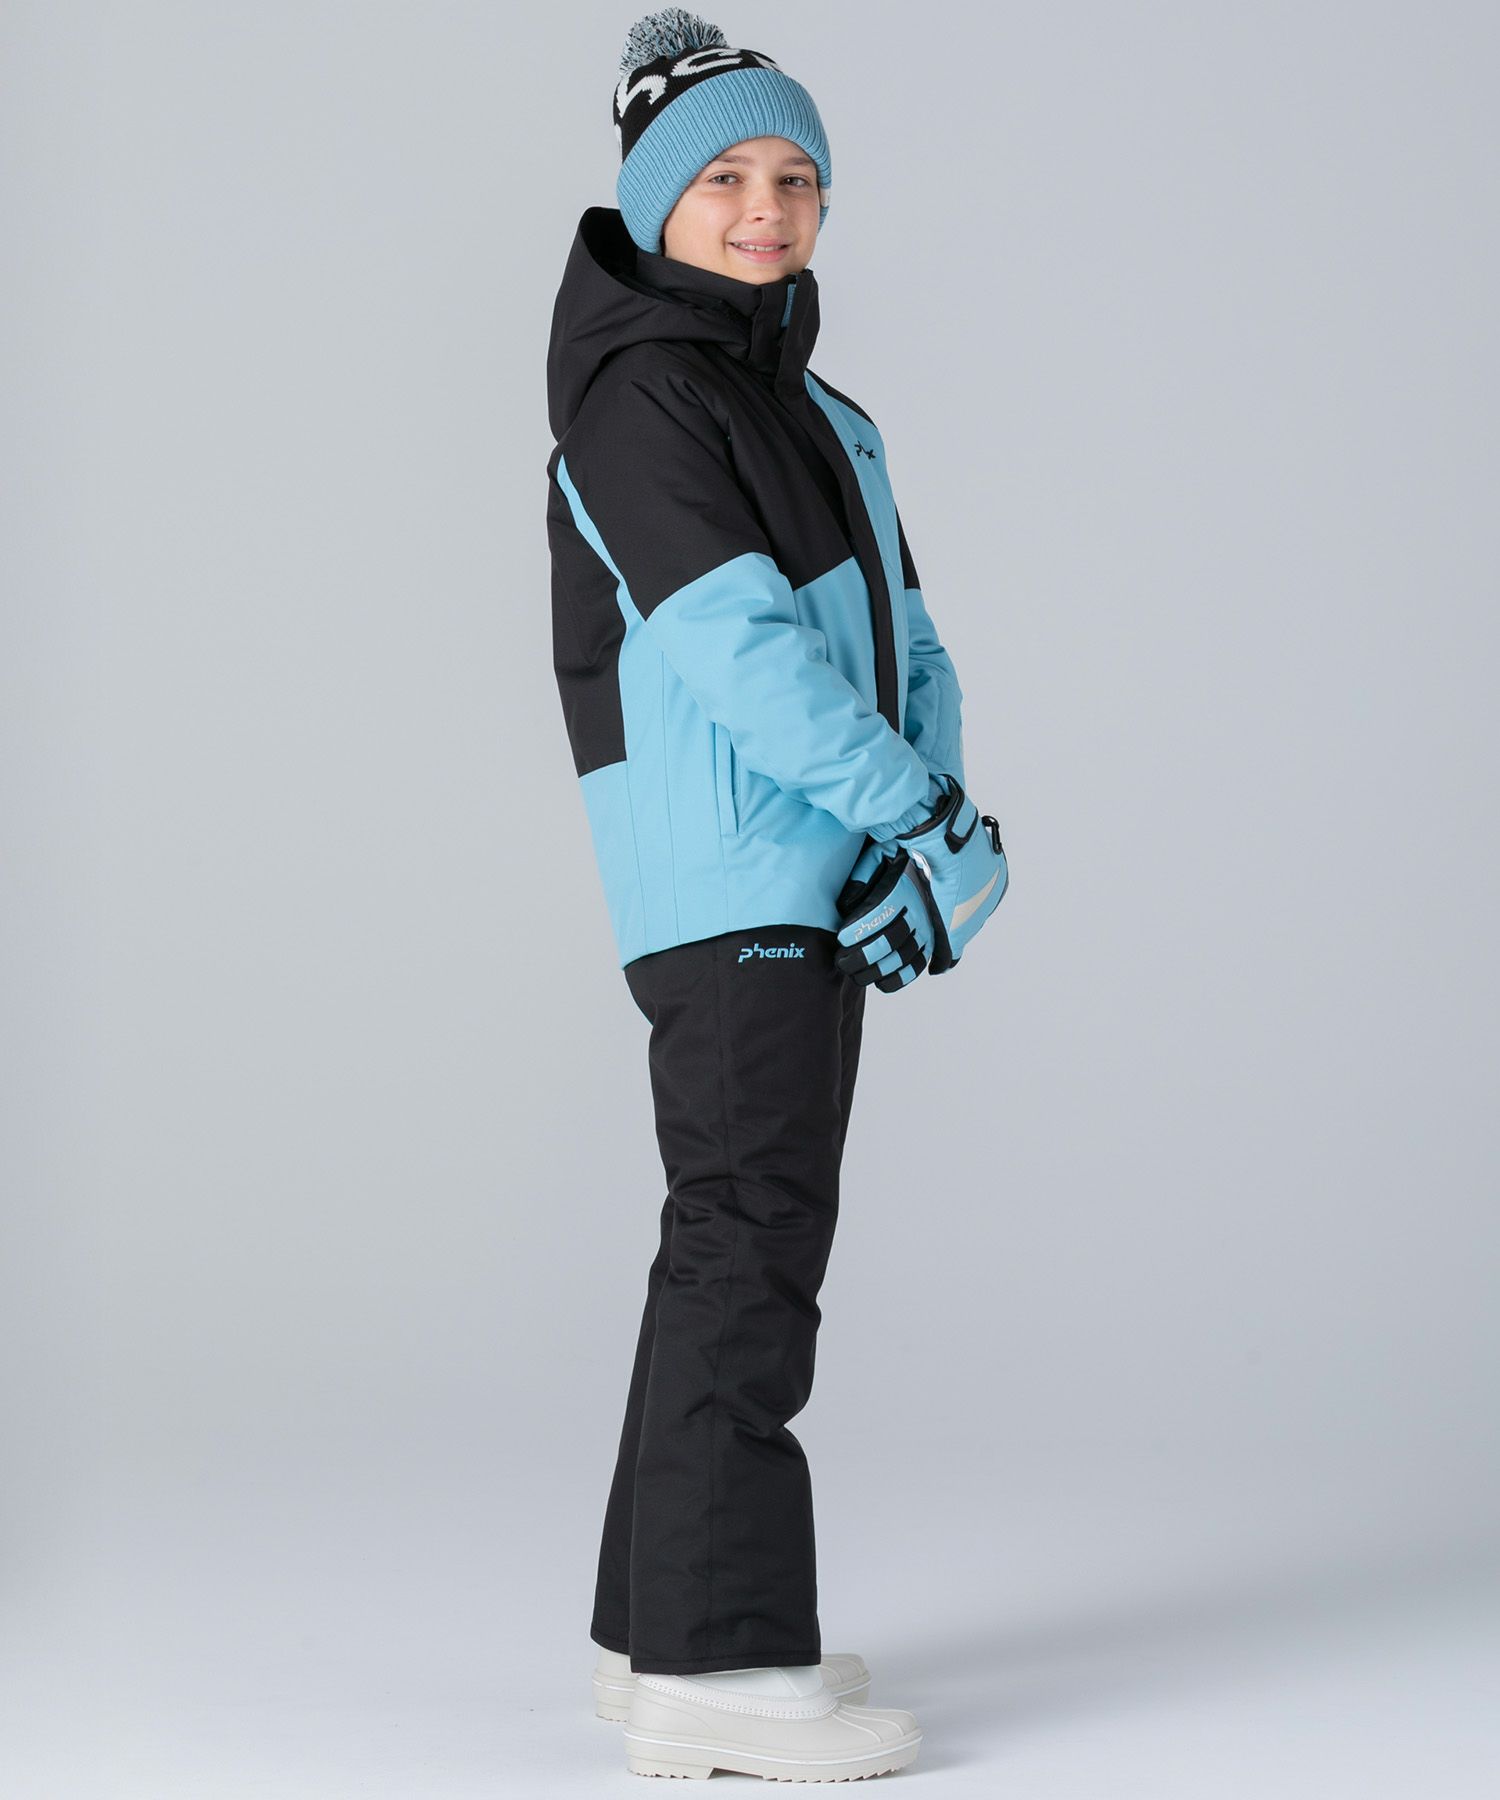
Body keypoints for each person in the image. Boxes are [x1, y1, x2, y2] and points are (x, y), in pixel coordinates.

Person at [543, 8, 1008, 1782]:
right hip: (731, 868)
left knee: (723, 1236)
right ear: (654, 202)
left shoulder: (814, 408)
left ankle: (652, 1627)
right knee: (752, 1237)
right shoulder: (642, 396)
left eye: (796, 178)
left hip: (815, 859)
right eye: (725, 177)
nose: (764, 210)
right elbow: (741, 654)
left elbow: (912, 640)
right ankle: (722, 1671)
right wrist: (913, 813)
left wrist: (931, 834)